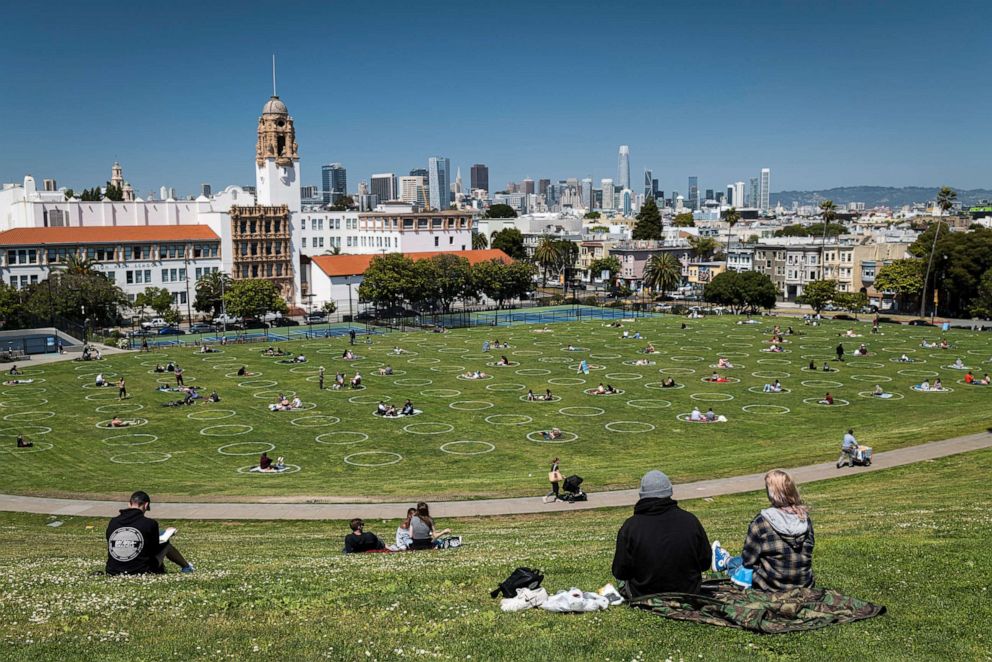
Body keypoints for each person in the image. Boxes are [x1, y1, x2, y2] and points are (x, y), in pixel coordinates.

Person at [612, 470, 710, 598]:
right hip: (688, 592)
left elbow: (620, 572)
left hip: (645, 594)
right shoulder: (690, 520)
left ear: (642, 494)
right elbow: (705, 562)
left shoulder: (631, 527)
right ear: (670, 492)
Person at [710, 470, 814, 591]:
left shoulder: (761, 523)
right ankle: (726, 560)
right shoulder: (805, 520)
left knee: (741, 566)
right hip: (804, 585)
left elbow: (748, 560)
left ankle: (726, 561)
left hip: (770, 586)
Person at [106, 490, 193, 575]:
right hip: (141, 570)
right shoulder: (150, 523)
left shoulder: (113, 522)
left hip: (113, 570)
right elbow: (154, 549)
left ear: (129, 504)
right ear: (146, 505)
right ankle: (187, 567)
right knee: (166, 545)